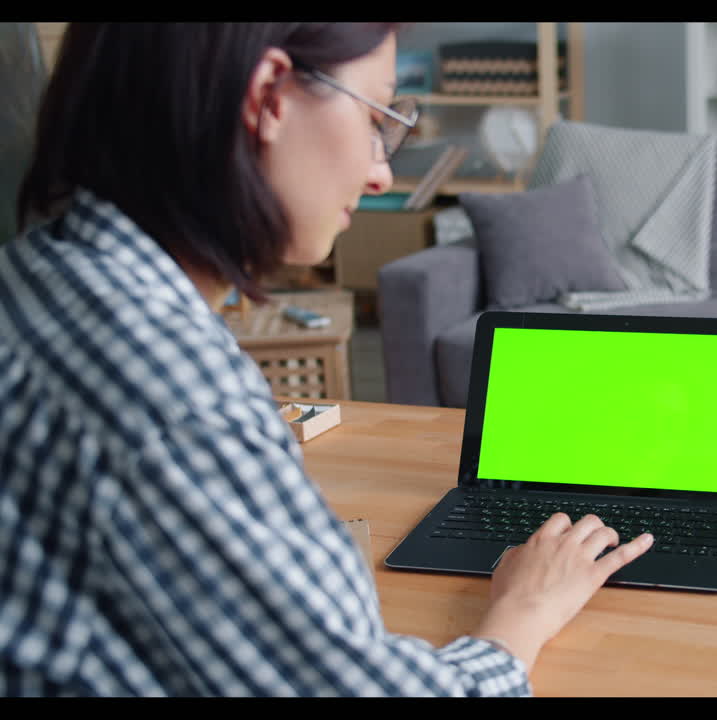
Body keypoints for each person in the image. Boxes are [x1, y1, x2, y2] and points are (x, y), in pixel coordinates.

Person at [0, 22, 652, 697]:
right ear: (269, 98)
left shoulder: (34, 279)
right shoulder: (173, 397)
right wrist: (523, 612)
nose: (379, 172)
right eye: (377, 117)